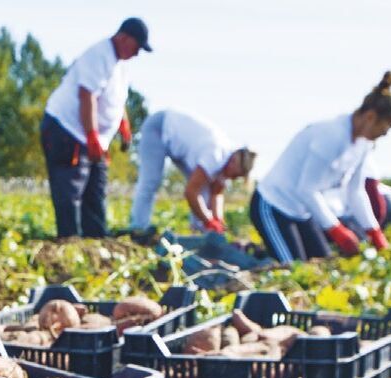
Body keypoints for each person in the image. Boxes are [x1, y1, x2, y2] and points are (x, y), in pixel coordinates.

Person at [250, 72, 391, 263]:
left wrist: (374, 230)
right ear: (370, 117)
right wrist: (336, 229)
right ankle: (252, 257)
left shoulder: (363, 145)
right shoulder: (331, 135)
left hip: (302, 211)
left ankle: (263, 253)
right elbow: (307, 189)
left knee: (322, 264)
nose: (384, 135)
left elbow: (355, 190)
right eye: (384, 128)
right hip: (274, 204)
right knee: (292, 268)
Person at [41, 18, 150, 239]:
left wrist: (123, 126)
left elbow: (116, 101)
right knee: (70, 192)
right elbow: (86, 96)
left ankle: (97, 243)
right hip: (67, 131)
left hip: (93, 139)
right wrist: (91, 136)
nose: (137, 54)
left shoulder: (120, 65)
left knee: (95, 192)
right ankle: (70, 243)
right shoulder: (99, 55)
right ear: (123, 38)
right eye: (136, 47)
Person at [128, 110, 256, 235]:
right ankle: (138, 229)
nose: (232, 178)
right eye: (234, 175)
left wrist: (218, 223)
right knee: (151, 181)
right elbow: (191, 192)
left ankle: (201, 236)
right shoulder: (216, 156)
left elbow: (216, 194)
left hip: (177, 145)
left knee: (204, 190)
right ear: (233, 161)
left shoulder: (226, 164)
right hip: (159, 127)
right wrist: (209, 221)